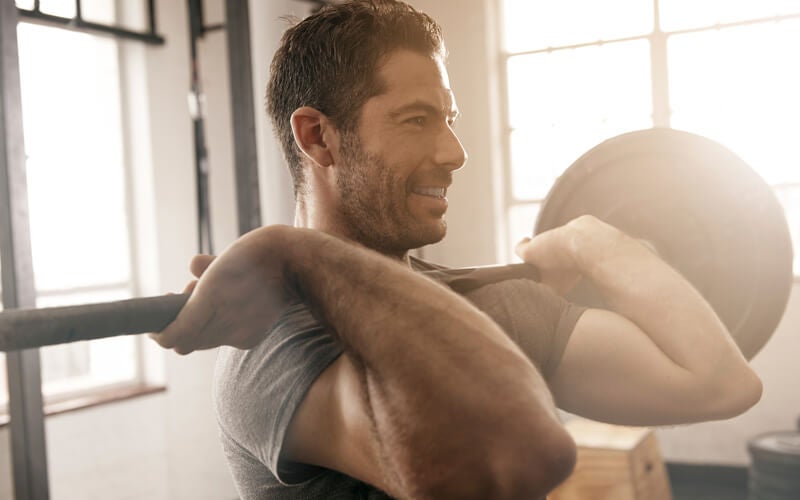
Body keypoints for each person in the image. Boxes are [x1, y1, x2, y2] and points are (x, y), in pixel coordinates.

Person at [150, 1, 763, 498]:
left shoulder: (492, 307)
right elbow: (500, 461)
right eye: (417, 120)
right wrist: (296, 252)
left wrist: (594, 240)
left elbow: (721, 383)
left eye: (451, 118)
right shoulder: (272, 348)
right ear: (319, 137)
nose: (454, 152)